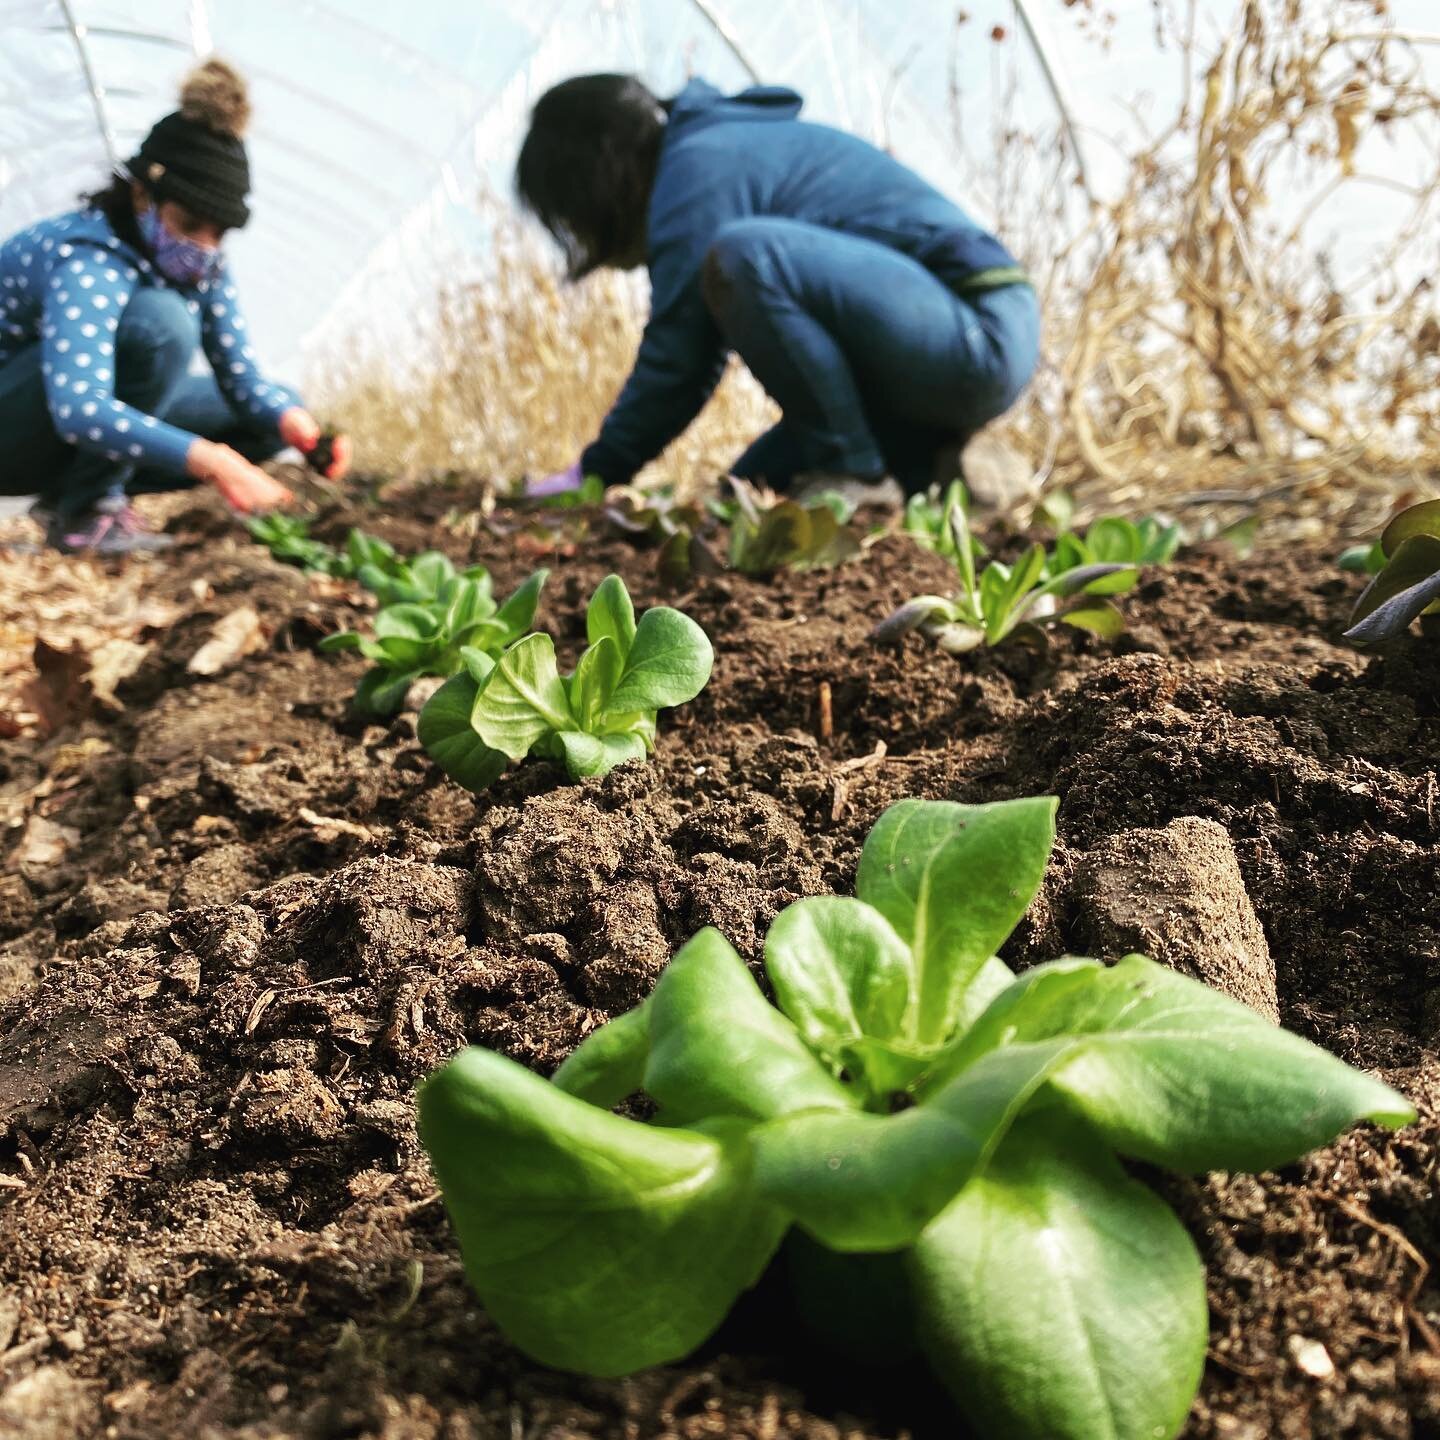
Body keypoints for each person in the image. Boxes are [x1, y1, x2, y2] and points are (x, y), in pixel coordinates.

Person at [518, 74, 1039, 502]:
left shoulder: (695, 169)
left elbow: (680, 360)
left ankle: (854, 474)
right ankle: (941, 467)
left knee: (746, 256)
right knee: (744, 493)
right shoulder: (706, 151)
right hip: (925, 357)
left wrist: (595, 473)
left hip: (976, 327)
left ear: (595, 178)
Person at [0, 59, 350, 554]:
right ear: (143, 194)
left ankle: (67, 498)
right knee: (163, 324)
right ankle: (87, 511)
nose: (203, 245)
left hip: (55, 426)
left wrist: (299, 427)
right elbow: (79, 408)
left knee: (273, 408)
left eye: (218, 232)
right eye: (189, 224)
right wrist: (216, 462)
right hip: (12, 426)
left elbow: (243, 380)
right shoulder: (87, 257)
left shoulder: (202, 266)